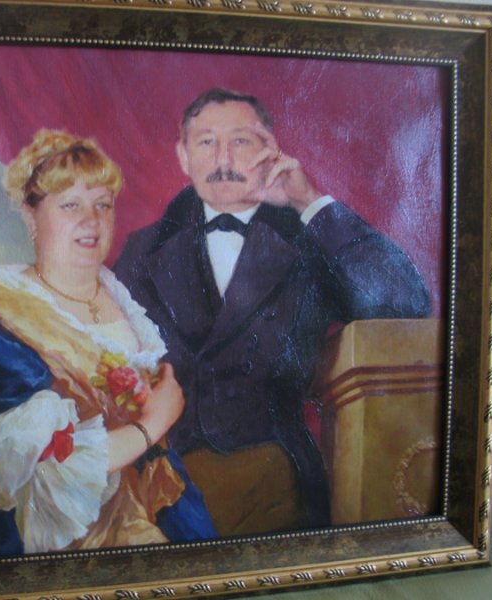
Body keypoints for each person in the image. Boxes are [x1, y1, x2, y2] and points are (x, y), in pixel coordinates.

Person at [114, 88, 432, 536]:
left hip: (275, 478)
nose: (223, 159)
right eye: (207, 142)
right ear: (183, 156)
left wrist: (310, 202)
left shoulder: (307, 238)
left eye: (241, 141)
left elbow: (404, 302)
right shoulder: (145, 249)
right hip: (163, 480)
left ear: (271, 151)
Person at [0, 130, 216, 562]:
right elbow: (51, 464)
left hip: (152, 501)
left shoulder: (129, 299)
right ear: (30, 215)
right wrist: (153, 423)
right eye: (70, 205)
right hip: (36, 525)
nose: (91, 220)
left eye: (102, 204)